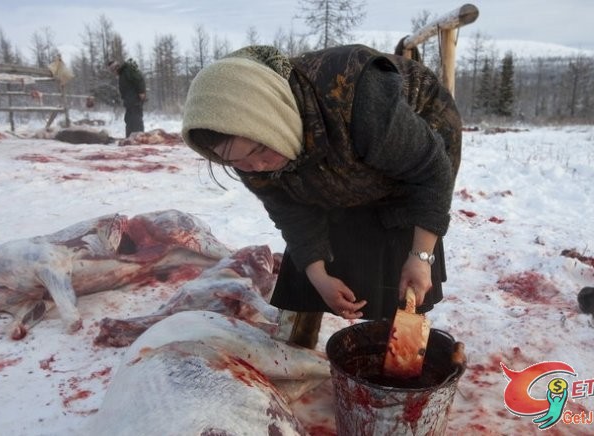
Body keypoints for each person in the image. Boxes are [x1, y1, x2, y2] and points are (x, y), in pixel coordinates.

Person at [181, 44, 462, 348]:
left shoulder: (358, 96)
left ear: (274, 119)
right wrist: (318, 276)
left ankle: (400, 354)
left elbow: (430, 172)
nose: (256, 167)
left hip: (413, 148)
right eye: (237, 162)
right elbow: (291, 211)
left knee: (394, 249)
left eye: (260, 149)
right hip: (334, 151)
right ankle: (297, 338)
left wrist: (421, 256)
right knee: (316, 233)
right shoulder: (246, 150)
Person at [107, 58, 146, 138]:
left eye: (113, 70)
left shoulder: (128, 70)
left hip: (135, 100)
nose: (114, 73)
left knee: (136, 120)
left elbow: (139, 79)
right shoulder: (122, 75)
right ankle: (129, 138)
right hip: (129, 102)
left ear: (116, 67)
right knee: (128, 120)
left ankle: (139, 138)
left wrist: (141, 92)